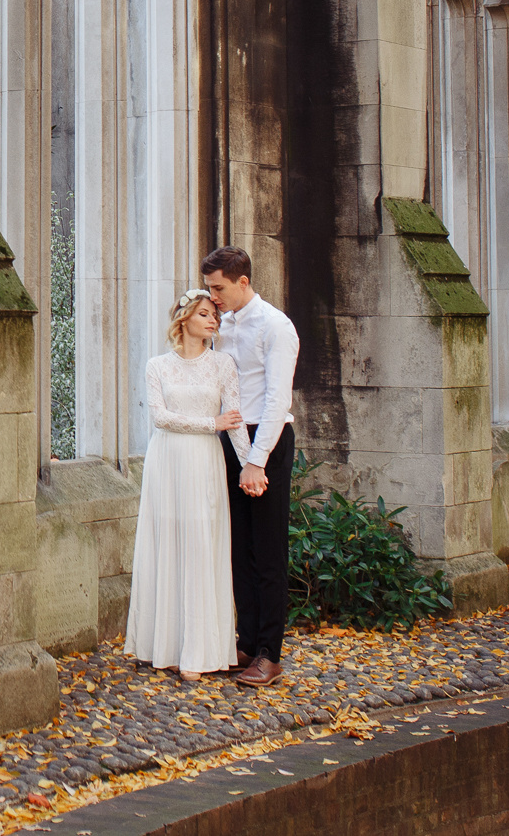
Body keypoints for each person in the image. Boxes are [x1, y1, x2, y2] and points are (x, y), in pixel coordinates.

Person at [123, 289, 248, 680]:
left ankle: (200, 650)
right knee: (168, 545)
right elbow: (160, 417)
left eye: (216, 315)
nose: (214, 320)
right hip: (167, 462)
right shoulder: (157, 366)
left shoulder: (223, 364)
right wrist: (211, 424)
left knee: (201, 546)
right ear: (184, 320)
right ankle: (165, 646)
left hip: (205, 463)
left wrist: (250, 465)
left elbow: (236, 420)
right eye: (205, 314)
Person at [203, 245, 299, 688]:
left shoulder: (277, 327)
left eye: (218, 288)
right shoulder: (220, 327)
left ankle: (269, 654)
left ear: (243, 282)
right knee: (239, 549)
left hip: (268, 442)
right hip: (230, 439)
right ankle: (245, 643)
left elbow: (278, 400)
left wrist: (255, 462)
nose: (213, 296)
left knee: (267, 551)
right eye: (208, 287)